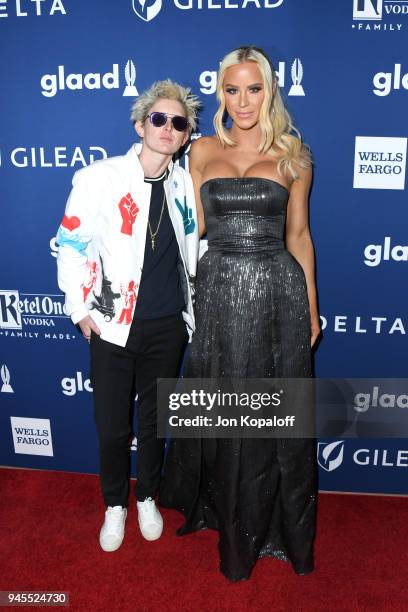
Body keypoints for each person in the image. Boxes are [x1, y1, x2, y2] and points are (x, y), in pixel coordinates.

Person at [159, 47, 319, 581]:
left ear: (269, 90)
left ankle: (272, 523)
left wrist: (313, 309)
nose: (243, 100)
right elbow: (191, 228)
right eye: (232, 89)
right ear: (221, 93)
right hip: (220, 291)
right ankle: (226, 514)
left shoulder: (295, 153)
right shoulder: (200, 150)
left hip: (279, 292)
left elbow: (298, 235)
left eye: (253, 88)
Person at [56, 80, 199, 552]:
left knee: (156, 423)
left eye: (178, 123)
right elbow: (71, 246)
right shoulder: (100, 177)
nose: (168, 128)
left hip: (167, 326)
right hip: (112, 324)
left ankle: (147, 498)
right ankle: (115, 504)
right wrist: (79, 309)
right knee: (113, 425)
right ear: (141, 125)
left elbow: (195, 248)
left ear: (184, 135)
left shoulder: (186, 183)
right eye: (159, 119)